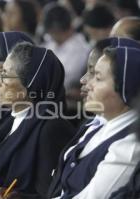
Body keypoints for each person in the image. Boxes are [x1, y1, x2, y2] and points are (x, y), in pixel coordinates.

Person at [0, 42, 74, 198]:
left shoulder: (51, 128)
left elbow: (50, 194)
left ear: (31, 83)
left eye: (5, 74)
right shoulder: (11, 121)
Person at [48, 37, 140, 199]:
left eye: (98, 78)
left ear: (126, 88)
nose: (87, 83)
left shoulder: (129, 145)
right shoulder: (98, 126)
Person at [42, 3, 90, 90]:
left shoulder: (81, 49)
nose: (52, 34)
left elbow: (67, 79)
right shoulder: (48, 42)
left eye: (56, 31)